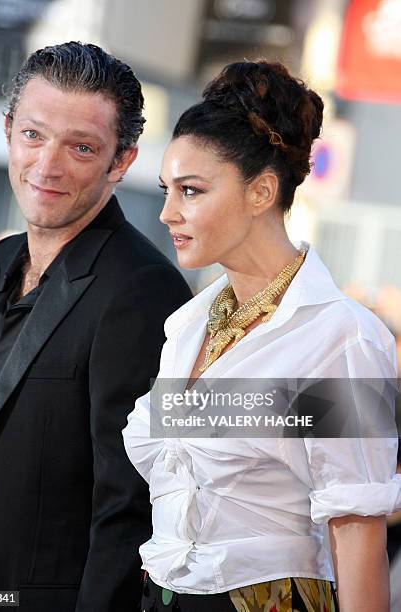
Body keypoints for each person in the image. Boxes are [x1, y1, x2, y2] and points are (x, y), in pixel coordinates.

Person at [123, 60, 401, 611]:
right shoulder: (187, 326)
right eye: (166, 190)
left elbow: (358, 529)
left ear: (261, 191)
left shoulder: (343, 337)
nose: (167, 213)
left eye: (191, 191)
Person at [0, 42, 192, 612]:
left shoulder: (142, 290)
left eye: (81, 147)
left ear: (122, 162)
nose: (46, 166)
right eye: (33, 136)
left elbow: (129, 505)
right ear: (9, 131)